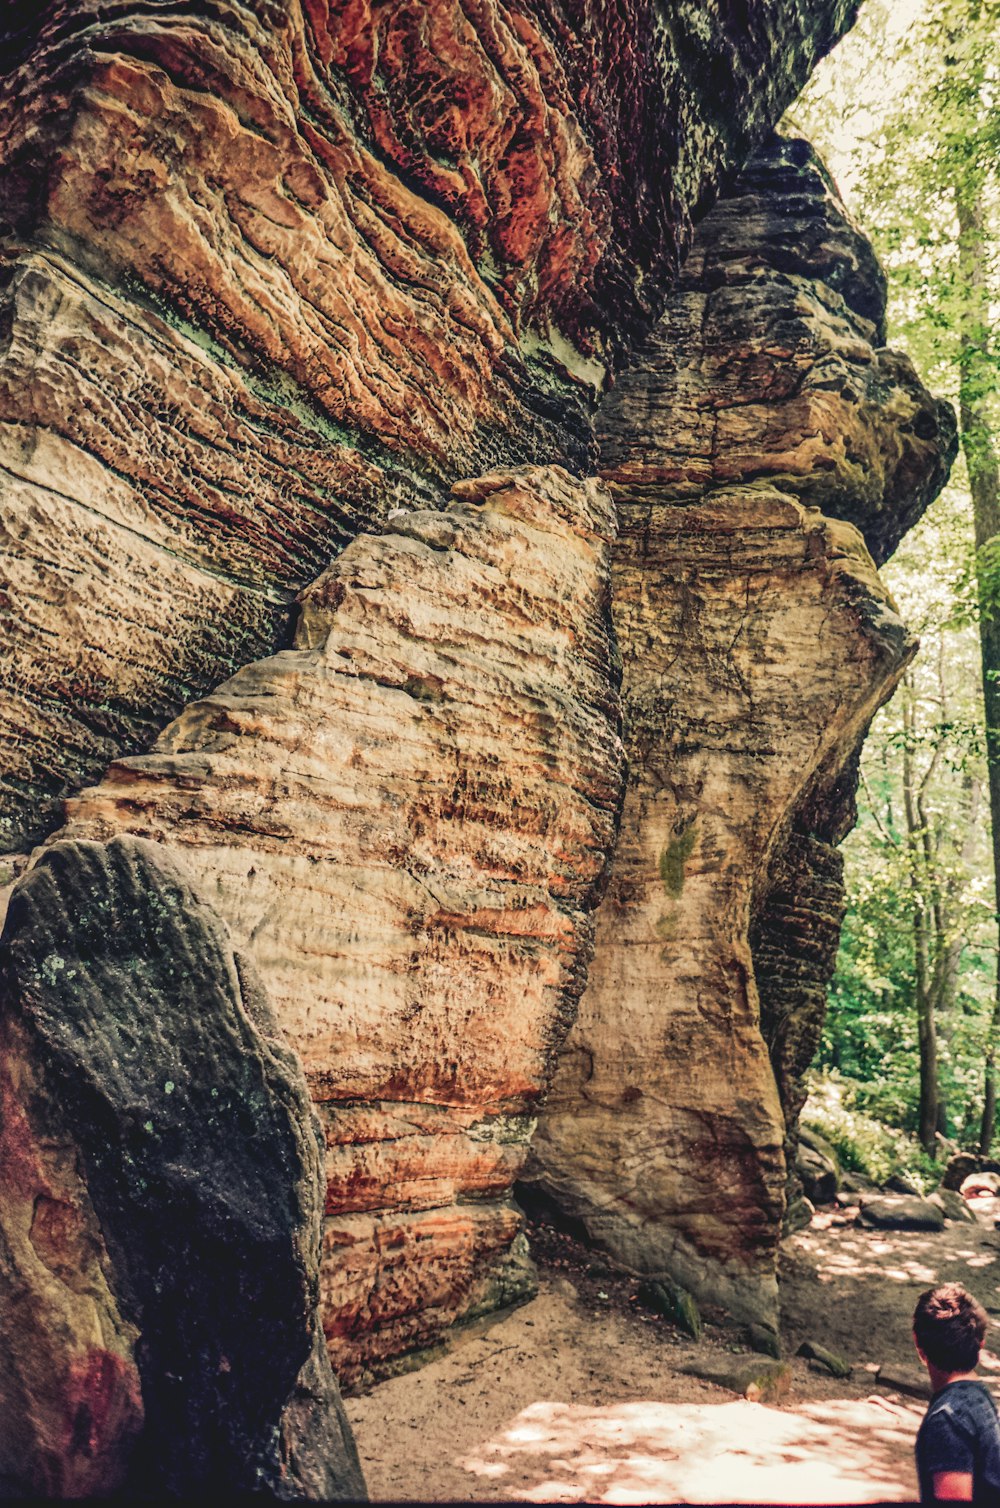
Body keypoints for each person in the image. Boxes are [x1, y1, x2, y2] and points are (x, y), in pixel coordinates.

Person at [914, 1283, 1000, 1503]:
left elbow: (953, 1500)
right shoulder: (980, 1397)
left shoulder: (947, 1419)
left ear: (918, 1345)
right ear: (980, 1344)